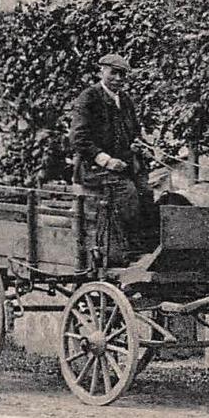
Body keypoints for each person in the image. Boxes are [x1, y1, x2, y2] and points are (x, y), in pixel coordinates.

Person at [69, 53, 156, 262]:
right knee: (128, 193)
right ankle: (127, 250)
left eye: (122, 75)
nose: (118, 79)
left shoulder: (125, 100)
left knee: (147, 192)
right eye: (113, 73)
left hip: (124, 167)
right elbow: (78, 138)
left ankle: (148, 247)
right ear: (102, 72)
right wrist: (106, 159)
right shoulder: (88, 98)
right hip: (94, 169)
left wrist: (139, 145)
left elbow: (134, 132)